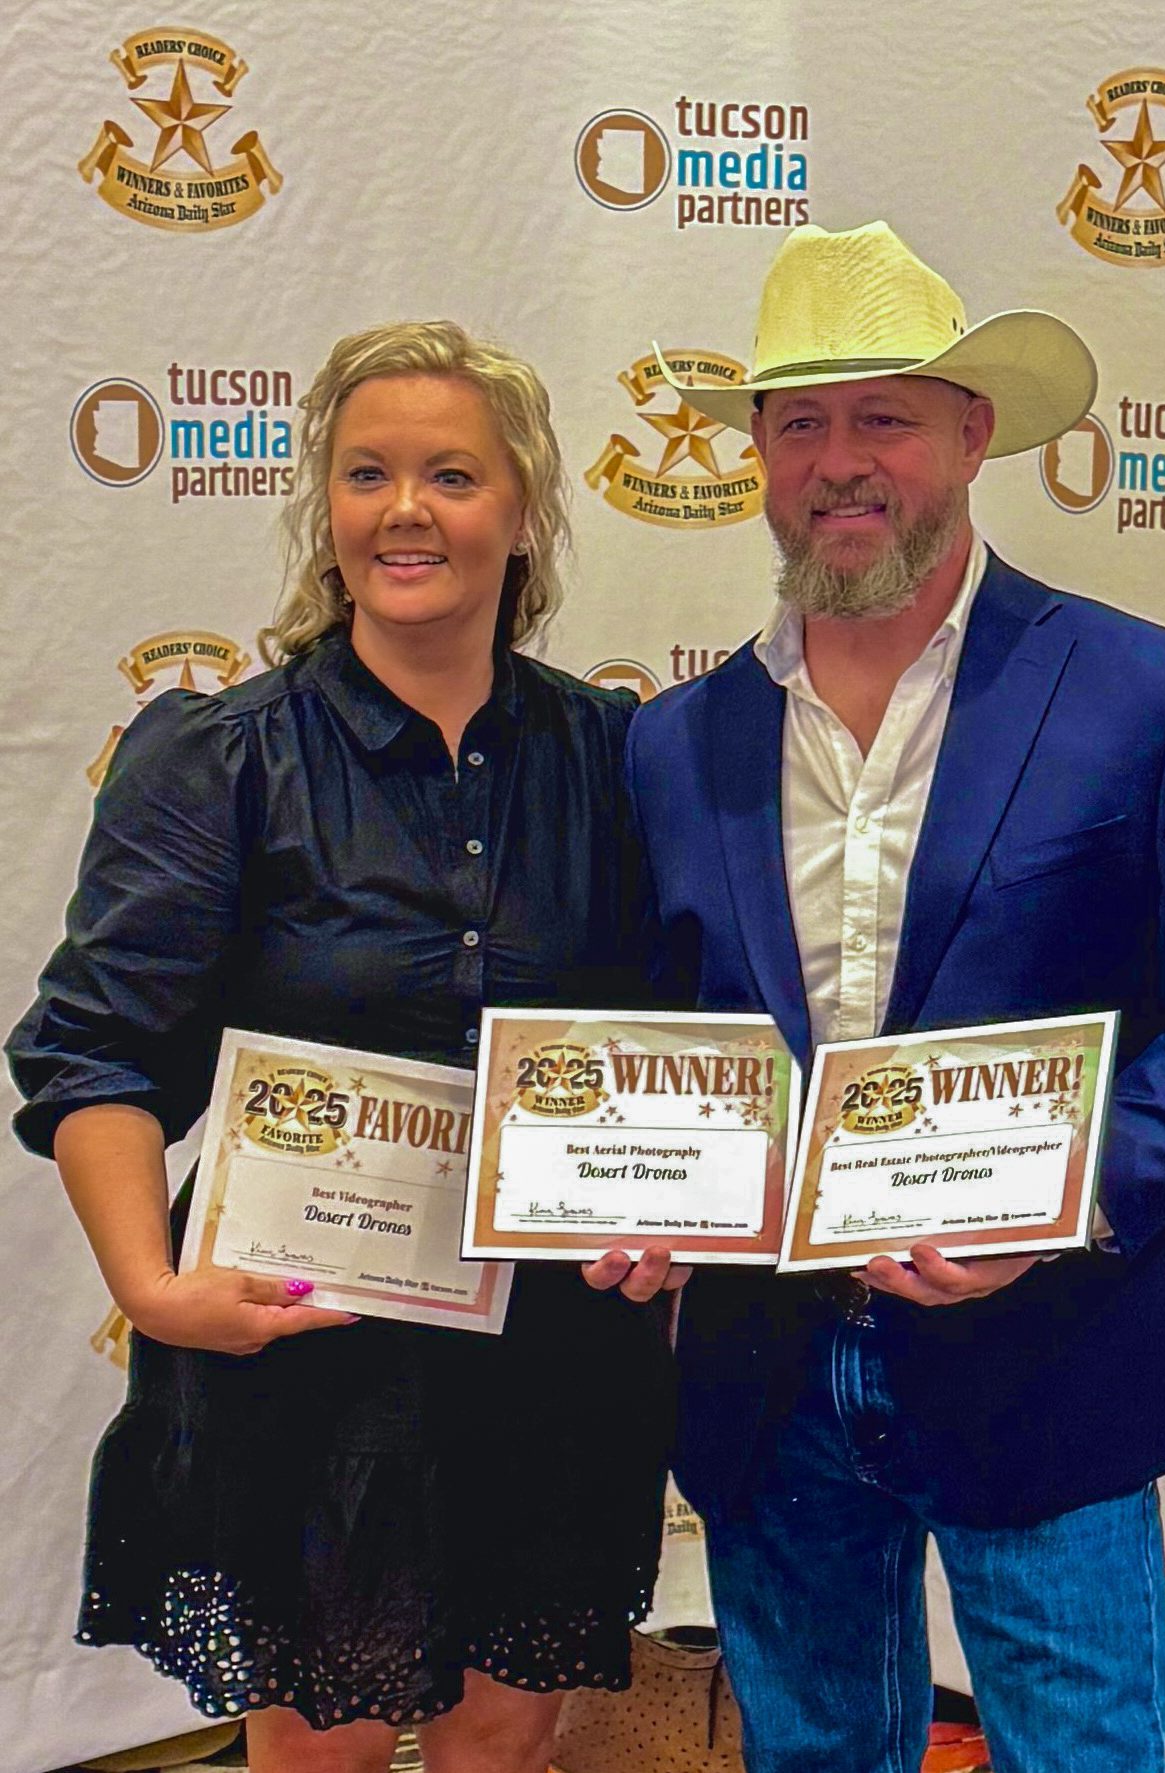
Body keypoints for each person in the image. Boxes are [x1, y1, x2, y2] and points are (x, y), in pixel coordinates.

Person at [620, 222, 1165, 1772]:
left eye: (886, 416)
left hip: (1056, 1347)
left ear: (970, 434)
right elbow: (662, 1038)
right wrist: (639, 1199)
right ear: (755, 452)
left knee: (1081, 1753)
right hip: (766, 1369)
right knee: (811, 1755)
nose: (840, 461)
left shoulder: (1145, 688)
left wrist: (1057, 1205)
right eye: (800, 422)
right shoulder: (672, 741)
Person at [7, 321, 678, 1773]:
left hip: (557, 1351)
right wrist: (151, 1286)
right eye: (366, 473)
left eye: (451, 473)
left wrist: (678, 1210)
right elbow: (96, 1053)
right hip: (309, 1355)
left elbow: (675, 1040)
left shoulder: (619, 757)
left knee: (503, 1736)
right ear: (327, 508)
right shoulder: (220, 756)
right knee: (326, 1745)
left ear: (523, 510)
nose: (406, 509)